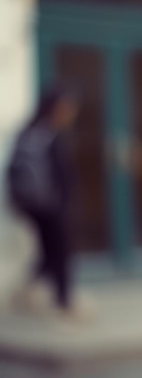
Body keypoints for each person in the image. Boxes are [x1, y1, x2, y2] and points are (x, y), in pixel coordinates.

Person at [6, 85, 80, 317]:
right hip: (51, 205)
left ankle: (26, 292)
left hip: (33, 205)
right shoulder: (50, 135)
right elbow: (62, 175)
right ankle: (64, 303)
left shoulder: (29, 132)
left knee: (49, 252)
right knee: (60, 251)